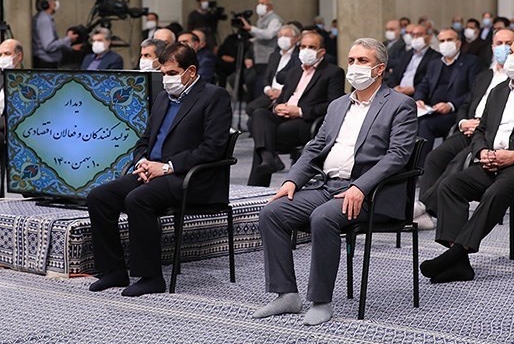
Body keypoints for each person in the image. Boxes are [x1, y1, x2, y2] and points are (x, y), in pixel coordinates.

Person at [252, 38, 417, 326]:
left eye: (362, 61)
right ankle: (286, 294)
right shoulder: (339, 105)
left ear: (380, 68)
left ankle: (321, 301)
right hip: (328, 186)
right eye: (351, 60)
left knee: (322, 217)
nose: (354, 66)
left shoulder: (400, 105)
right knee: (272, 212)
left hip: (370, 193)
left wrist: (360, 187)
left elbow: (398, 156)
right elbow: (315, 147)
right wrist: (292, 181)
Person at [420, 35, 514, 283]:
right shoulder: (498, 91)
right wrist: (482, 152)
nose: (511, 58)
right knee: (449, 186)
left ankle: (457, 253)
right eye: (511, 52)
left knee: (497, 190)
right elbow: (481, 130)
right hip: (492, 161)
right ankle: (460, 263)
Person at [86, 43, 232, 296]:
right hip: (153, 172)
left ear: (191, 71)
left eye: (172, 73)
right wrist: (142, 162)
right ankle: (113, 270)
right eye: (163, 73)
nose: (166, 79)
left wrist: (167, 167)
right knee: (99, 197)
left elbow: (213, 148)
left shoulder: (214, 96)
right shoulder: (164, 97)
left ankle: (151, 277)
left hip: (190, 177)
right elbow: (145, 139)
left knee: (137, 199)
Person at [416, 29, 514, 225]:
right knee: (435, 157)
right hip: (469, 127)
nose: (503, 48)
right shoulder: (485, 75)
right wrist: (463, 122)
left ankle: (425, 209)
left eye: (508, 43)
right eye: (499, 43)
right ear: (492, 47)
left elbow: (511, 113)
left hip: (489, 134)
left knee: (460, 161)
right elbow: (466, 104)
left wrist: (482, 124)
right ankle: (427, 211)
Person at [247, 32, 344, 187]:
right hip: (283, 116)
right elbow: (281, 99)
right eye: (303, 46)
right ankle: (268, 157)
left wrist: (299, 111)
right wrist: (277, 107)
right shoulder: (293, 72)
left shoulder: (333, 72)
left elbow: (334, 105)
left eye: (311, 47)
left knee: (264, 137)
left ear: (322, 52)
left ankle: (258, 181)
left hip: (307, 121)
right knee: (258, 114)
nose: (306, 50)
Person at [414, 28, 481, 161]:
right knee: (408, 119)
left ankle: (420, 166)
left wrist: (451, 105)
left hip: (455, 112)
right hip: (432, 109)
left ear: (458, 42)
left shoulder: (471, 62)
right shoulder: (434, 63)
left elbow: (474, 92)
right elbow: (423, 85)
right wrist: (419, 99)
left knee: (425, 125)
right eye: (442, 41)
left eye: (449, 40)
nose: (445, 43)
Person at [246, 24, 300, 116]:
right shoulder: (274, 56)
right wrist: (268, 90)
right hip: (271, 94)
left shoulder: (298, 56)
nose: (283, 38)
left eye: (286, 35)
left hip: (287, 95)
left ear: (296, 38)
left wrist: (282, 92)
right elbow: (266, 77)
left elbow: (297, 79)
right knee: (251, 108)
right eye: (280, 36)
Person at [240, 0, 283, 98]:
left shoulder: (275, 19)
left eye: (263, 3)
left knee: (262, 84)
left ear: (270, 6)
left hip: (268, 56)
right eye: (259, 3)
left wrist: (251, 29)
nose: (259, 6)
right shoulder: (261, 20)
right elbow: (259, 35)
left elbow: (269, 34)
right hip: (259, 58)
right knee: (252, 81)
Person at [32, 0, 82, 68]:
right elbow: (49, 46)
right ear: (48, 4)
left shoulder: (44, 18)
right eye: (54, 0)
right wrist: (68, 38)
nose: (56, 2)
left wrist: (70, 48)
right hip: (46, 64)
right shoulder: (44, 20)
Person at [387, 24, 440, 96]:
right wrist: (395, 87)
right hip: (398, 93)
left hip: (417, 94)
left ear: (429, 37)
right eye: (413, 35)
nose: (416, 37)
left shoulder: (435, 57)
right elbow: (394, 73)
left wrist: (414, 89)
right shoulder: (407, 54)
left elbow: (430, 80)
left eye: (419, 35)